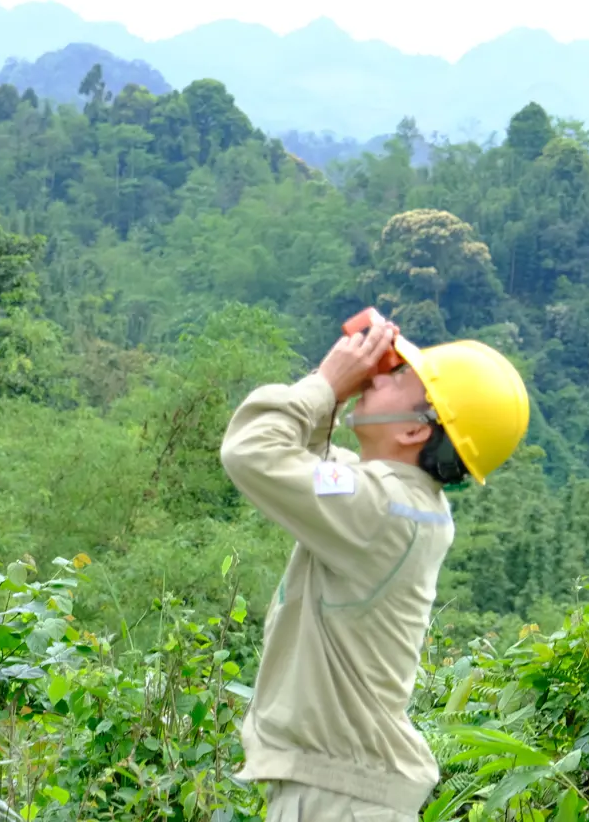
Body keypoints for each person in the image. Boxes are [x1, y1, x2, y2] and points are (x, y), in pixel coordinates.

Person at [220, 318, 530, 821]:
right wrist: (336, 397)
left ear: (414, 428)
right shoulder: (399, 502)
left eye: (398, 376)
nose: (379, 377)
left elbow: (252, 450)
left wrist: (327, 383)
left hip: (341, 800)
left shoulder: (382, 511)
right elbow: (307, 463)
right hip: (346, 792)